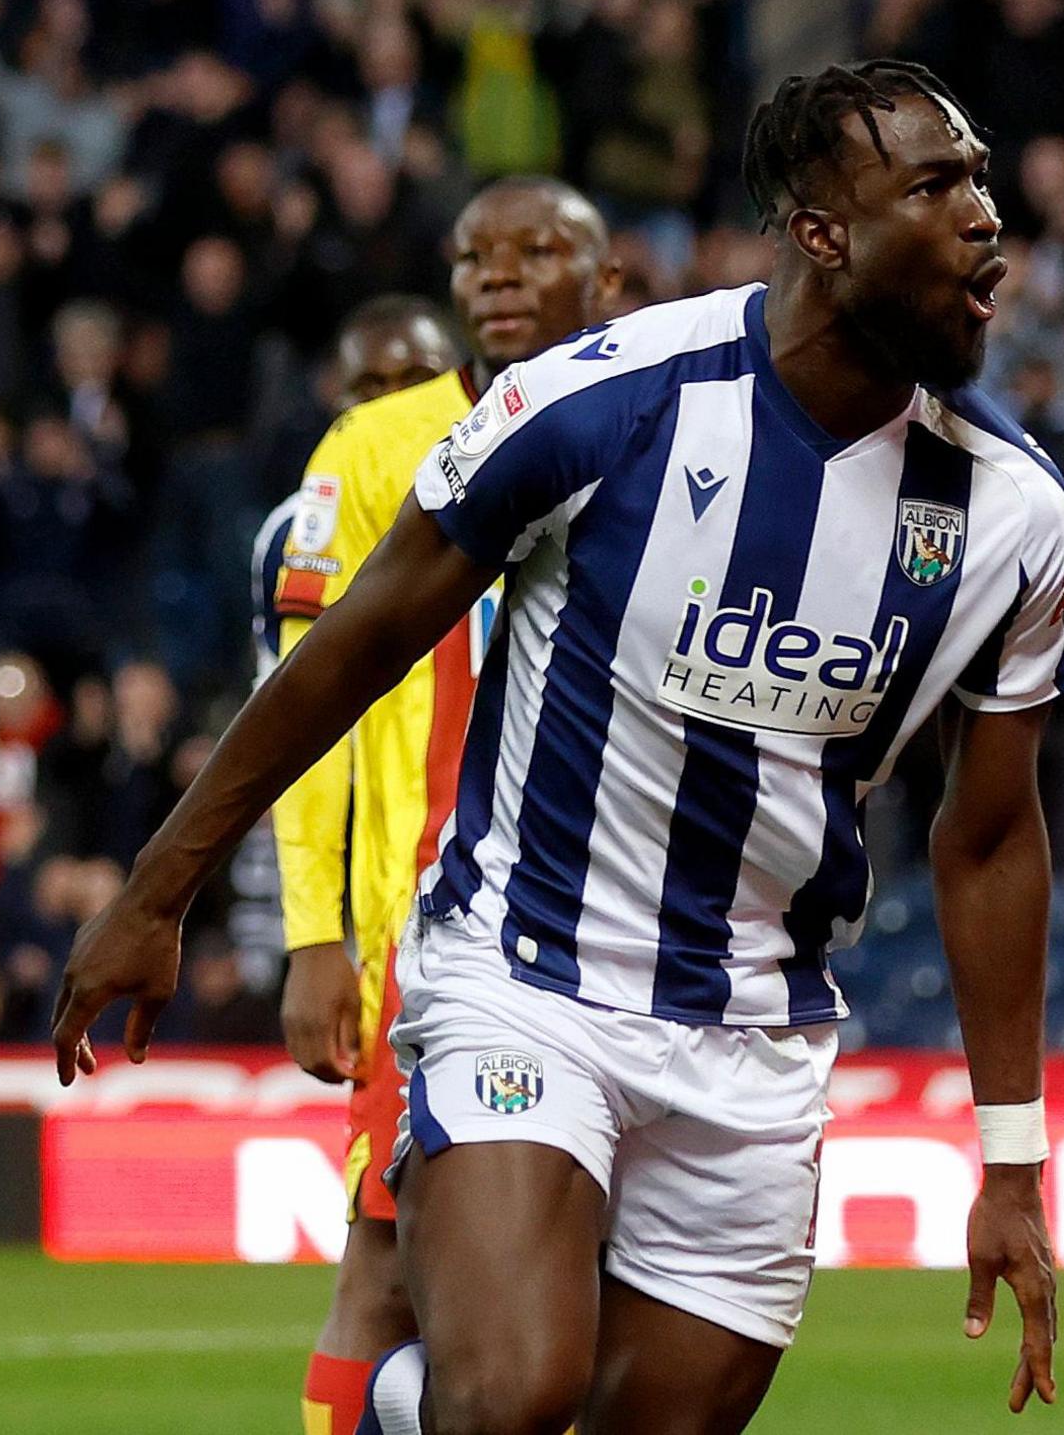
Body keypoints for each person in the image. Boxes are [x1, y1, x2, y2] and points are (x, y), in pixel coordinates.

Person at [55, 61, 1064, 1435]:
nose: (986, 218)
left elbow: (993, 829)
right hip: (525, 974)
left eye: (984, 180)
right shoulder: (608, 397)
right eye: (939, 185)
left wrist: (1013, 1157)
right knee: (515, 1393)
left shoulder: (1012, 516)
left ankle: (401, 1406)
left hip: (758, 1043)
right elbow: (355, 639)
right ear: (822, 228)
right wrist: (156, 887)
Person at [249, 179, 625, 1435]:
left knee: (587, 1291)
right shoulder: (368, 451)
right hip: (429, 925)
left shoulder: (661, 420)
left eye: (539, 250)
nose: (501, 276)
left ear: (607, 276)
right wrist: (314, 930)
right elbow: (303, 702)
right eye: (476, 256)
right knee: (383, 1263)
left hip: (623, 923)